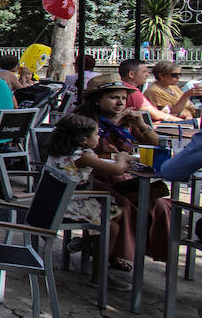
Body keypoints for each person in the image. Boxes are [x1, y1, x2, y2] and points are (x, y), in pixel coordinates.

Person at [73, 76, 170, 269]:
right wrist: (121, 159)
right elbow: (78, 159)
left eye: (123, 98)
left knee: (160, 203)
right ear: (97, 100)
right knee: (122, 205)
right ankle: (111, 255)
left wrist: (142, 125)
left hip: (120, 178)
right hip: (92, 180)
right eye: (113, 97)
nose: (120, 103)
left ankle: (158, 253)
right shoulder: (82, 123)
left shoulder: (126, 122)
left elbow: (156, 144)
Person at [43, 113, 127, 281]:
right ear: (83, 140)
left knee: (115, 212)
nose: (98, 137)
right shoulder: (83, 156)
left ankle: (83, 242)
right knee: (112, 225)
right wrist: (122, 157)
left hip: (51, 200)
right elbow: (118, 170)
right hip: (68, 205)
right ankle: (99, 274)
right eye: (96, 134)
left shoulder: (61, 151)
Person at [118, 58, 184, 123]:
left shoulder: (123, 88)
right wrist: (183, 121)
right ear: (131, 74)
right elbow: (156, 115)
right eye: (144, 72)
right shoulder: (133, 92)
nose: (148, 75)